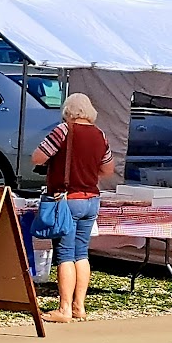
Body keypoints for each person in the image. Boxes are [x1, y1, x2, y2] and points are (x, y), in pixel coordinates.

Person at [30, 93, 114, 323]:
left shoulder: (63, 130)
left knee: (65, 253)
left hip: (68, 200)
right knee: (82, 253)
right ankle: (80, 306)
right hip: (92, 199)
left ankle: (65, 309)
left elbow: (37, 157)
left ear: (68, 111)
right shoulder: (100, 134)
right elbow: (108, 169)